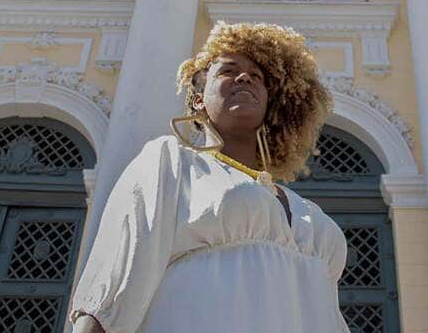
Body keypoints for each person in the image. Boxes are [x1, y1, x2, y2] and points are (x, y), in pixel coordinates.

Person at [70, 21, 350, 332]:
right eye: (228, 71)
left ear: (270, 105)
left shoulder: (307, 212)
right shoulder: (173, 162)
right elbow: (117, 276)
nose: (244, 77)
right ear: (199, 98)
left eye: (257, 77)